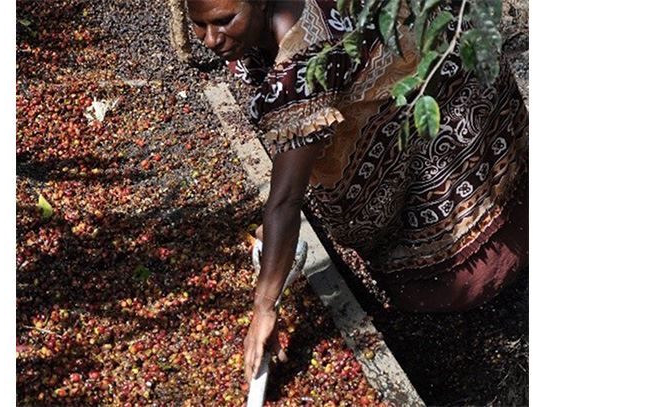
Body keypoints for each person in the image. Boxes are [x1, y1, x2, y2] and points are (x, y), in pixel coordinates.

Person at [186, 0, 529, 383]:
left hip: (434, 66)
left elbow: (285, 200)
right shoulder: (276, 49)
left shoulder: (304, 64)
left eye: (224, 21)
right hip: (402, 54)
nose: (211, 39)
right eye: (198, 24)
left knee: (439, 202)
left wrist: (265, 307)